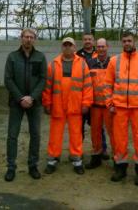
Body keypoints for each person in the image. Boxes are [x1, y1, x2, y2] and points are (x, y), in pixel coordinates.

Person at [105, 31, 138, 186]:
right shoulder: (114, 61)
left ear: (134, 42)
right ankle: (120, 169)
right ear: (122, 43)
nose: (127, 43)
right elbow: (107, 85)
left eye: (129, 41)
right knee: (120, 140)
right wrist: (110, 104)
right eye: (124, 41)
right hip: (119, 108)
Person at [43, 38, 93, 174]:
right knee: (55, 134)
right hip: (57, 106)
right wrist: (47, 103)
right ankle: (52, 159)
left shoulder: (82, 64)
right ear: (61, 47)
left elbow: (88, 86)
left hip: (75, 106)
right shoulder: (53, 64)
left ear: (74, 47)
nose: (67, 48)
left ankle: (77, 160)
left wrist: (86, 103)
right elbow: (47, 87)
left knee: (76, 134)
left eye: (69, 45)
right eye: (65, 45)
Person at [4, 28, 47, 181]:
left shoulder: (40, 57)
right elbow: (8, 80)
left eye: (31, 37)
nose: (28, 39)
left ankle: (33, 165)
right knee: (12, 135)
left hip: (35, 104)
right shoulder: (13, 57)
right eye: (26, 36)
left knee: (35, 135)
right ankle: (10, 167)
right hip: (16, 103)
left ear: (35, 39)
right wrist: (21, 98)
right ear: (21, 38)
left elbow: (43, 79)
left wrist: (32, 98)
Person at [85, 38, 114, 169]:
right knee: (95, 133)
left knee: (114, 133)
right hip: (95, 106)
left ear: (107, 47)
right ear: (96, 48)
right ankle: (96, 156)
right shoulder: (89, 63)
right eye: (99, 47)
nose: (101, 49)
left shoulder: (113, 63)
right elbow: (86, 85)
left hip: (110, 106)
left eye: (103, 46)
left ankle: (117, 159)